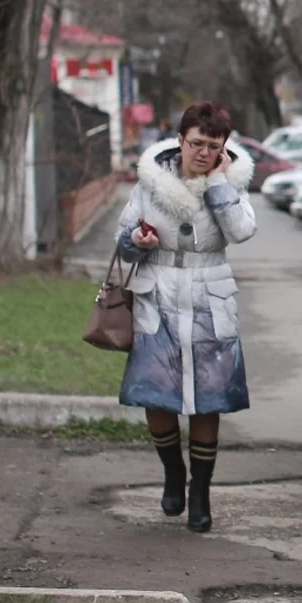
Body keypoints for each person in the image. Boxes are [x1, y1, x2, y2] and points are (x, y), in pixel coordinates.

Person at [114, 101, 257, 532]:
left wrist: (217, 183)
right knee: (156, 394)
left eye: (213, 146)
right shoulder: (151, 182)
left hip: (209, 295)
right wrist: (137, 240)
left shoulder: (231, 182)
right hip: (156, 294)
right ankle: (172, 473)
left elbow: (241, 231)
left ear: (223, 149)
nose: (203, 152)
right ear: (180, 140)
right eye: (196, 143)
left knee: (207, 400)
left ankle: (201, 493)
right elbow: (122, 244)